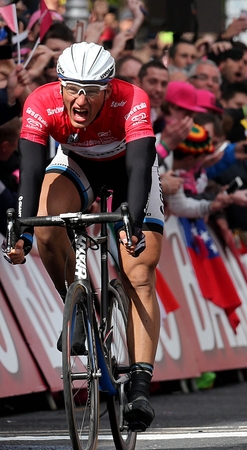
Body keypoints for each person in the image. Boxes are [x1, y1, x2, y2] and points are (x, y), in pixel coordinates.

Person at [8, 42, 163, 432]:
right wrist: (23, 231)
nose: (80, 100)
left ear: (107, 89)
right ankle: (76, 306)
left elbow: (141, 164)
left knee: (139, 270)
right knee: (45, 223)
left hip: (129, 167)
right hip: (78, 162)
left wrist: (132, 221)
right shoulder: (41, 103)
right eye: (72, 89)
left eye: (91, 91)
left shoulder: (133, 100)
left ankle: (141, 383)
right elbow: (30, 166)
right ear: (59, 86)